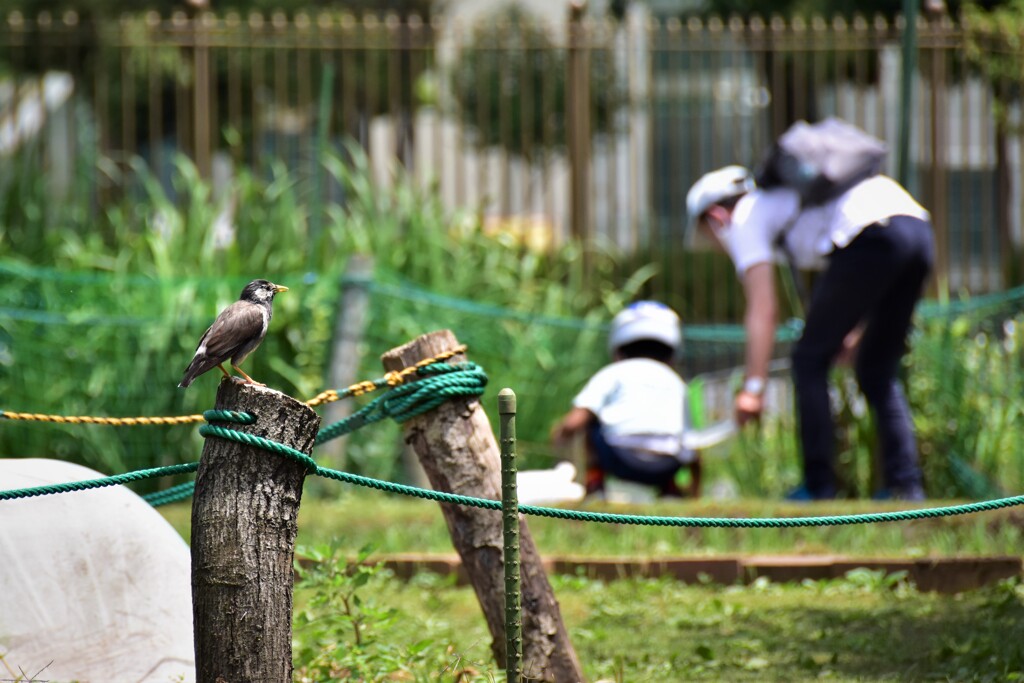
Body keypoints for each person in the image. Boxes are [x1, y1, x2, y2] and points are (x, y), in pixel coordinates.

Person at [686, 164, 934, 501]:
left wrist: (753, 388)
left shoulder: (743, 218)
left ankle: (819, 489)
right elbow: (875, 268)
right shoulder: (792, 204)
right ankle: (906, 488)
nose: (719, 247)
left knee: (808, 361)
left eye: (711, 239)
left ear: (716, 217)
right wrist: (857, 330)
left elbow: (764, 310)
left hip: (871, 236)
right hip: (917, 229)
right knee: (876, 371)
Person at [550, 301, 700, 498]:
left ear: (618, 349)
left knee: (593, 421)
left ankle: (595, 483)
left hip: (621, 459)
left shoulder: (613, 373)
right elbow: (692, 441)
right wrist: (696, 486)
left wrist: (559, 434)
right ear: (672, 352)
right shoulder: (677, 383)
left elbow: (576, 420)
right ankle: (670, 490)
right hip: (666, 466)